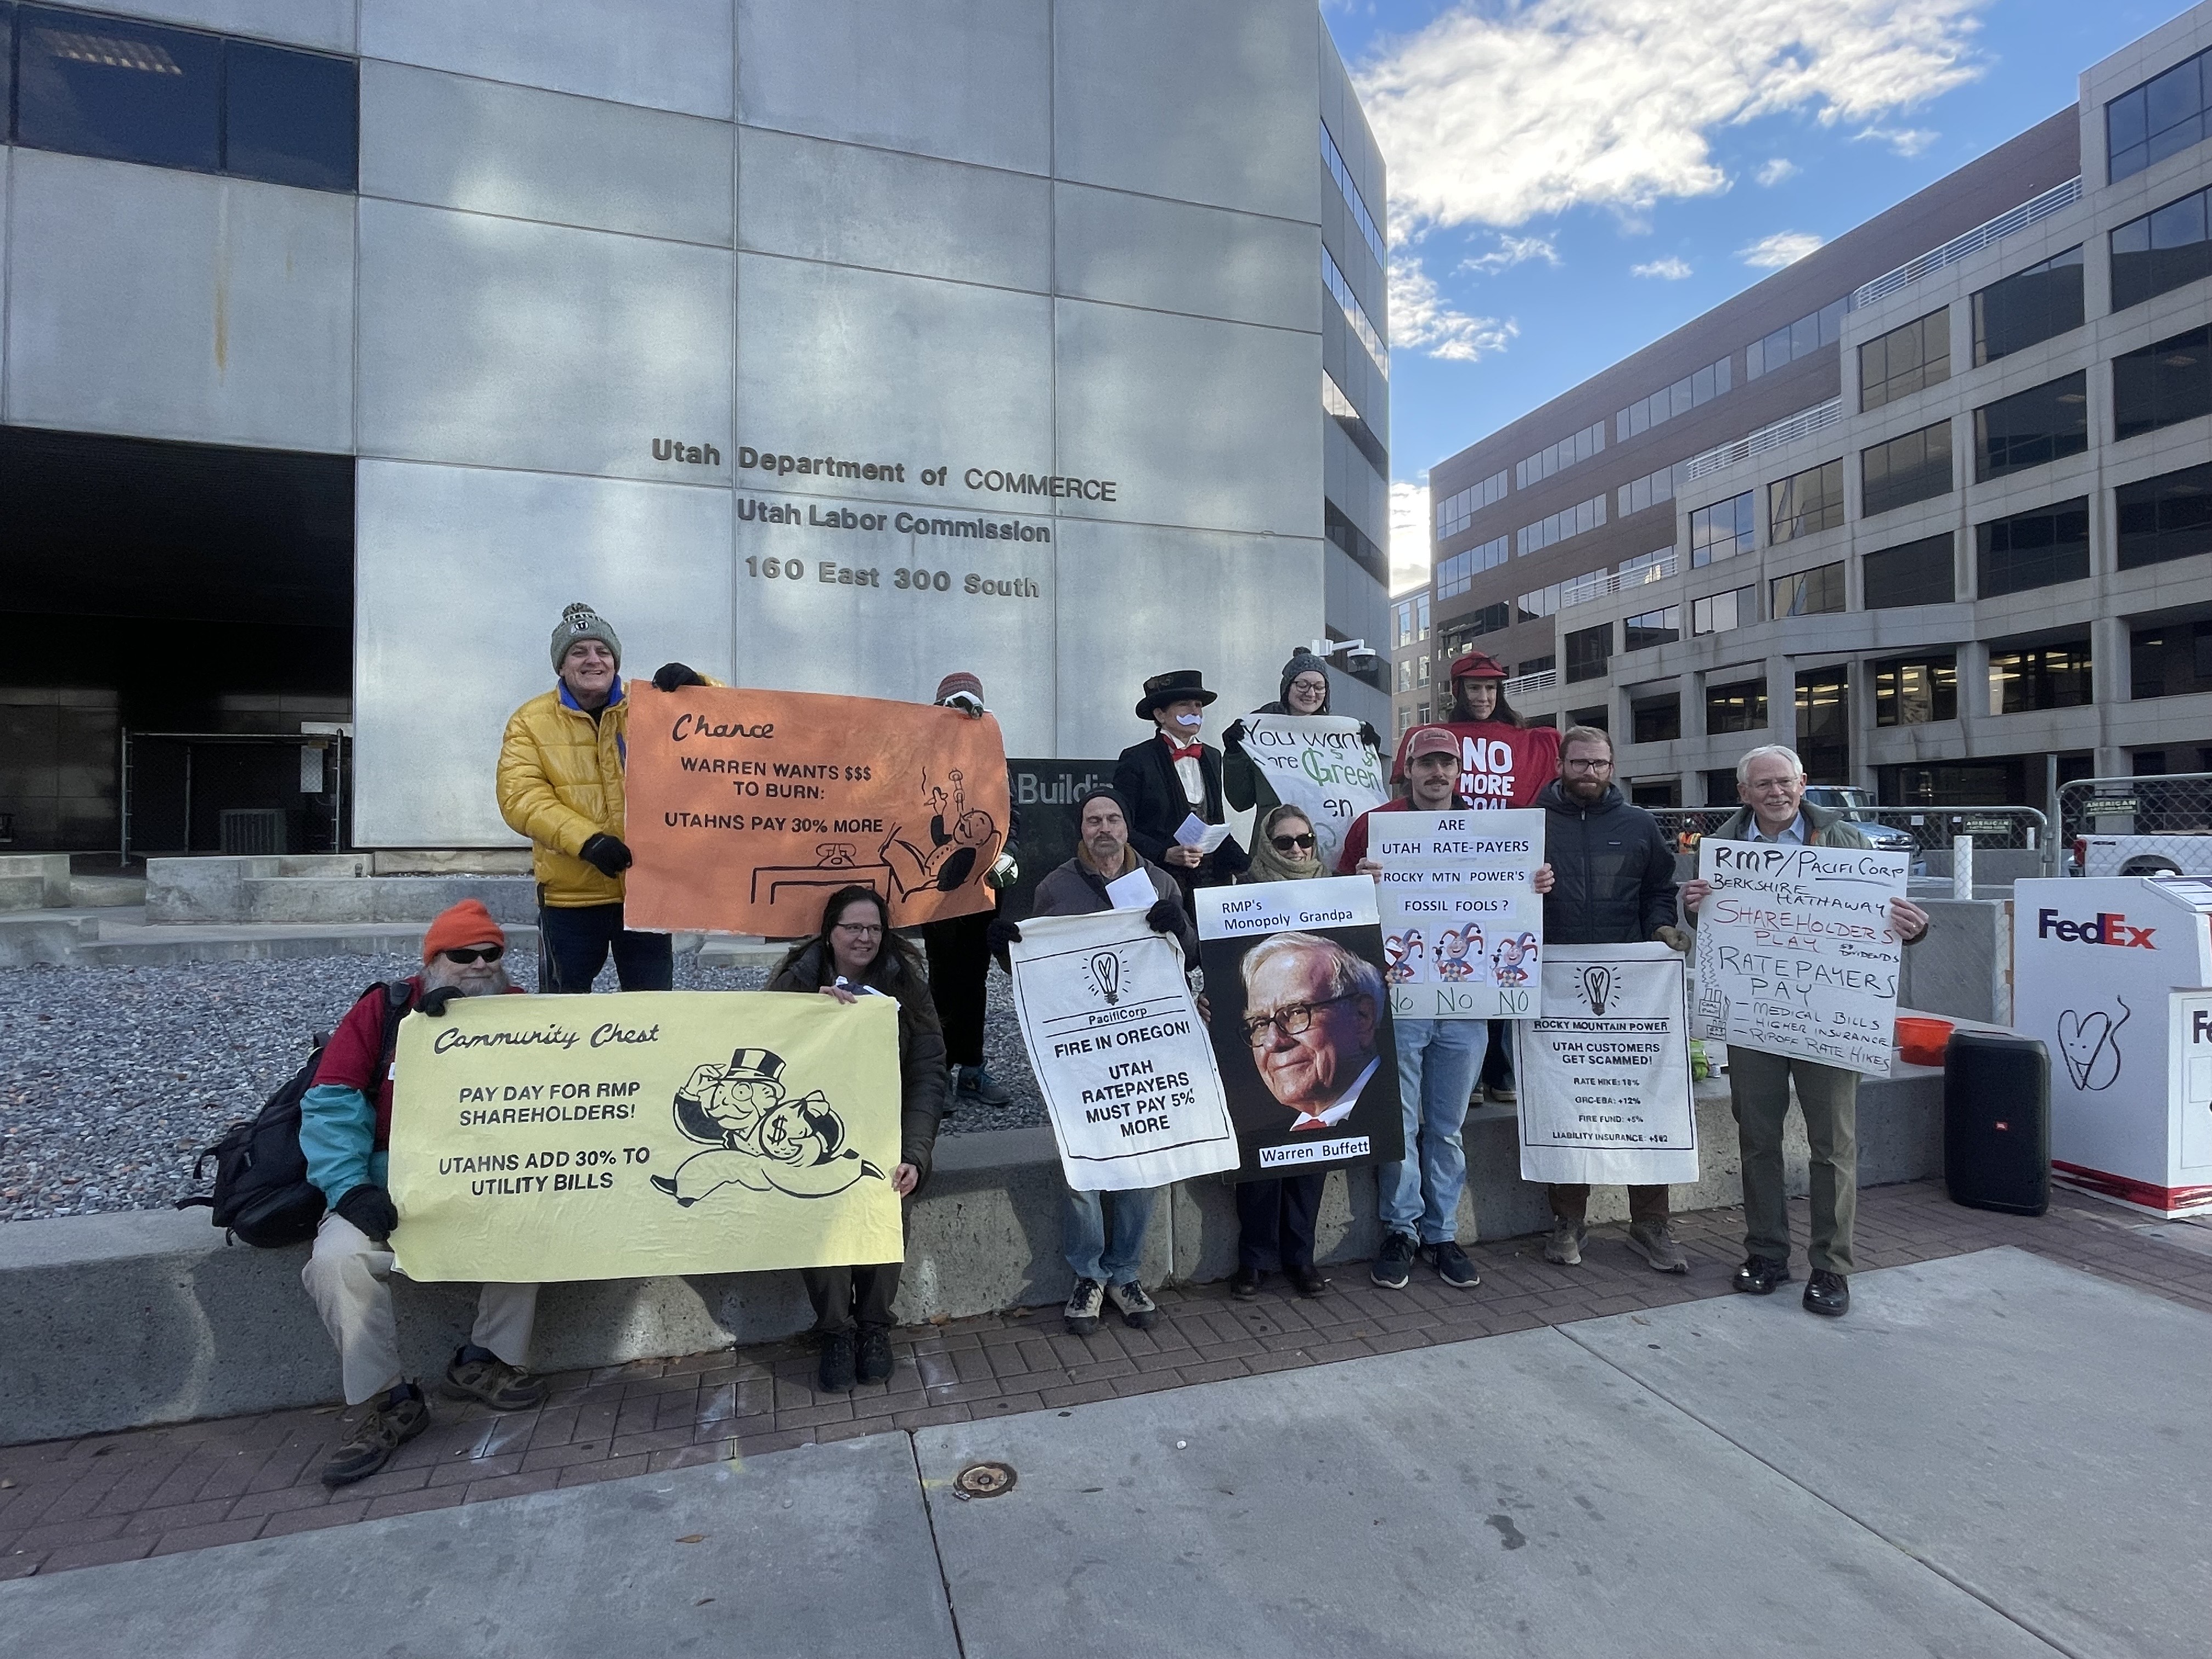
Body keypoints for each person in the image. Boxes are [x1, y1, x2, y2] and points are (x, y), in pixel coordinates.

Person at [1680, 743, 1930, 1318]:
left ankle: (1831, 1267)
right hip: (1755, 1016)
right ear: (1744, 793)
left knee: (1833, 1145)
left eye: (1785, 782)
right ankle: (1767, 1254)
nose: (1776, 793)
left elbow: (1885, 922)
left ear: (1803, 784)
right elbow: (1714, 928)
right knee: (1758, 1140)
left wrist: (1912, 928)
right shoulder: (1721, 850)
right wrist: (1694, 908)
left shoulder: (1848, 842)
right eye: (1763, 784)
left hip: (1829, 1017)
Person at [300, 900, 543, 1487]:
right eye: (463, 955)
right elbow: (331, 1103)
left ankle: (485, 1360)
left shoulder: (522, 1011)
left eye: (492, 954)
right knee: (336, 1261)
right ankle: (389, 1402)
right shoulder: (384, 1011)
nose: (481, 965)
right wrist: (349, 1186)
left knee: (538, 1223)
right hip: (386, 1183)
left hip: (483, 1177)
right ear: (433, 960)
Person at [1342, 729, 1554, 1291]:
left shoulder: (1497, 828)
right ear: (1407, 768)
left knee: (1447, 1126)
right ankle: (1402, 1228)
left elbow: (1513, 900)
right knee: (1401, 1120)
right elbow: (1340, 903)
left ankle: (1442, 1232)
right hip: (1402, 998)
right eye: (1427, 763)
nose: (1437, 773)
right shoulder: (1375, 824)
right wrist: (1359, 884)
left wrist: (1536, 883)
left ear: (1460, 771)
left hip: (1469, 1003)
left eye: (1447, 764)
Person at [988, 786, 1194, 1336]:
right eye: (1092, 820)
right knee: (1082, 1167)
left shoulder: (1161, 882)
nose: (1104, 827)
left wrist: (1179, 928)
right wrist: (1004, 949)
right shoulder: (1055, 887)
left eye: (1113, 818)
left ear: (1127, 827)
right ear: (1082, 831)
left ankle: (1125, 1273)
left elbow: (1188, 960)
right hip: (1081, 1053)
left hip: (1144, 1046)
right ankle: (1089, 1276)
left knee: (1140, 1163)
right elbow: (1038, 970)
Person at [766, 885, 949, 1392]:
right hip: (807, 1137)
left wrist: (915, 1154)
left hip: (882, 1132)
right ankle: (834, 1330)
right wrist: (807, 1014)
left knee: (887, 1211)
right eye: (853, 928)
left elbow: (928, 1071)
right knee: (817, 1217)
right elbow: (759, 1046)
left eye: (874, 928)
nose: (865, 938)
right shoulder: (799, 979)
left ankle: (873, 1326)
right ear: (830, 933)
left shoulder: (904, 982)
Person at [495, 601, 714, 993]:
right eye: (578, 652)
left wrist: (698, 688)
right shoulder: (529, 721)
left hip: (645, 890)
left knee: (651, 1002)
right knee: (564, 1004)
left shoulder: (652, 705)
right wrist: (587, 841)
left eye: (603, 651)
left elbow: (736, 727)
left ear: (615, 660)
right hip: (571, 896)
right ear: (561, 666)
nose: (593, 660)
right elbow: (521, 796)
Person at [1534, 725, 1689, 1272]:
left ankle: (1650, 1223)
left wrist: (1661, 929)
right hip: (1553, 986)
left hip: (1632, 986)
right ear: (1561, 764)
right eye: (1580, 763)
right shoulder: (1531, 823)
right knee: (1563, 1100)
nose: (1590, 773)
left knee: (1642, 1098)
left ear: (1613, 766)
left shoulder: (1639, 824)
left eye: (1600, 764)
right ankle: (1567, 1219)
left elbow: (1659, 890)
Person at [1387, 650, 1563, 1106]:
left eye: (1491, 688)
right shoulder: (1428, 738)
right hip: (1434, 864)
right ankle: (1468, 1075)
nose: (1484, 696)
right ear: (1457, 692)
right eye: (1475, 688)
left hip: (1501, 869)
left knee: (1501, 960)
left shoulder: (1530, 741)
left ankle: (1498, 1069)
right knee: (1448, 959)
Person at [915, 672, 1022, 1110]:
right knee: (941, 979)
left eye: (969, 709)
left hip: (983, 888)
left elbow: (1016, 821)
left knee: (975, 978)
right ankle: (935, 1074)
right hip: (937, 890)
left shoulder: (995, 762)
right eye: (952, 708)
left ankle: (972, 1070)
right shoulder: (920, 760)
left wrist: (1009, 855)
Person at [1113, 668, 1249, 907]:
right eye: (1185, 705)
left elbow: (1215, 819)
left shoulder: (1212, 756)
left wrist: (1250, 867)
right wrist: (1164, 853)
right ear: (1160, 715)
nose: (1195, 712)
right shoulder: (1137, 758)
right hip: (1161, 882)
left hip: (1211, 883)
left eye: (1198, 705)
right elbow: (1122, 826)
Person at [1221, 650, 1383, 815]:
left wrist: (1366, 751)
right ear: (1287, 687)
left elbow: (1357, 794)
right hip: (1274, 838)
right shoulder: (1257, 736)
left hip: (1327, 837)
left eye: (1319, 687)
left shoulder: (1340, 739)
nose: (1311, 693)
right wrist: (1235, 755)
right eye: (1302, 685)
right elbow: (1240, 802)